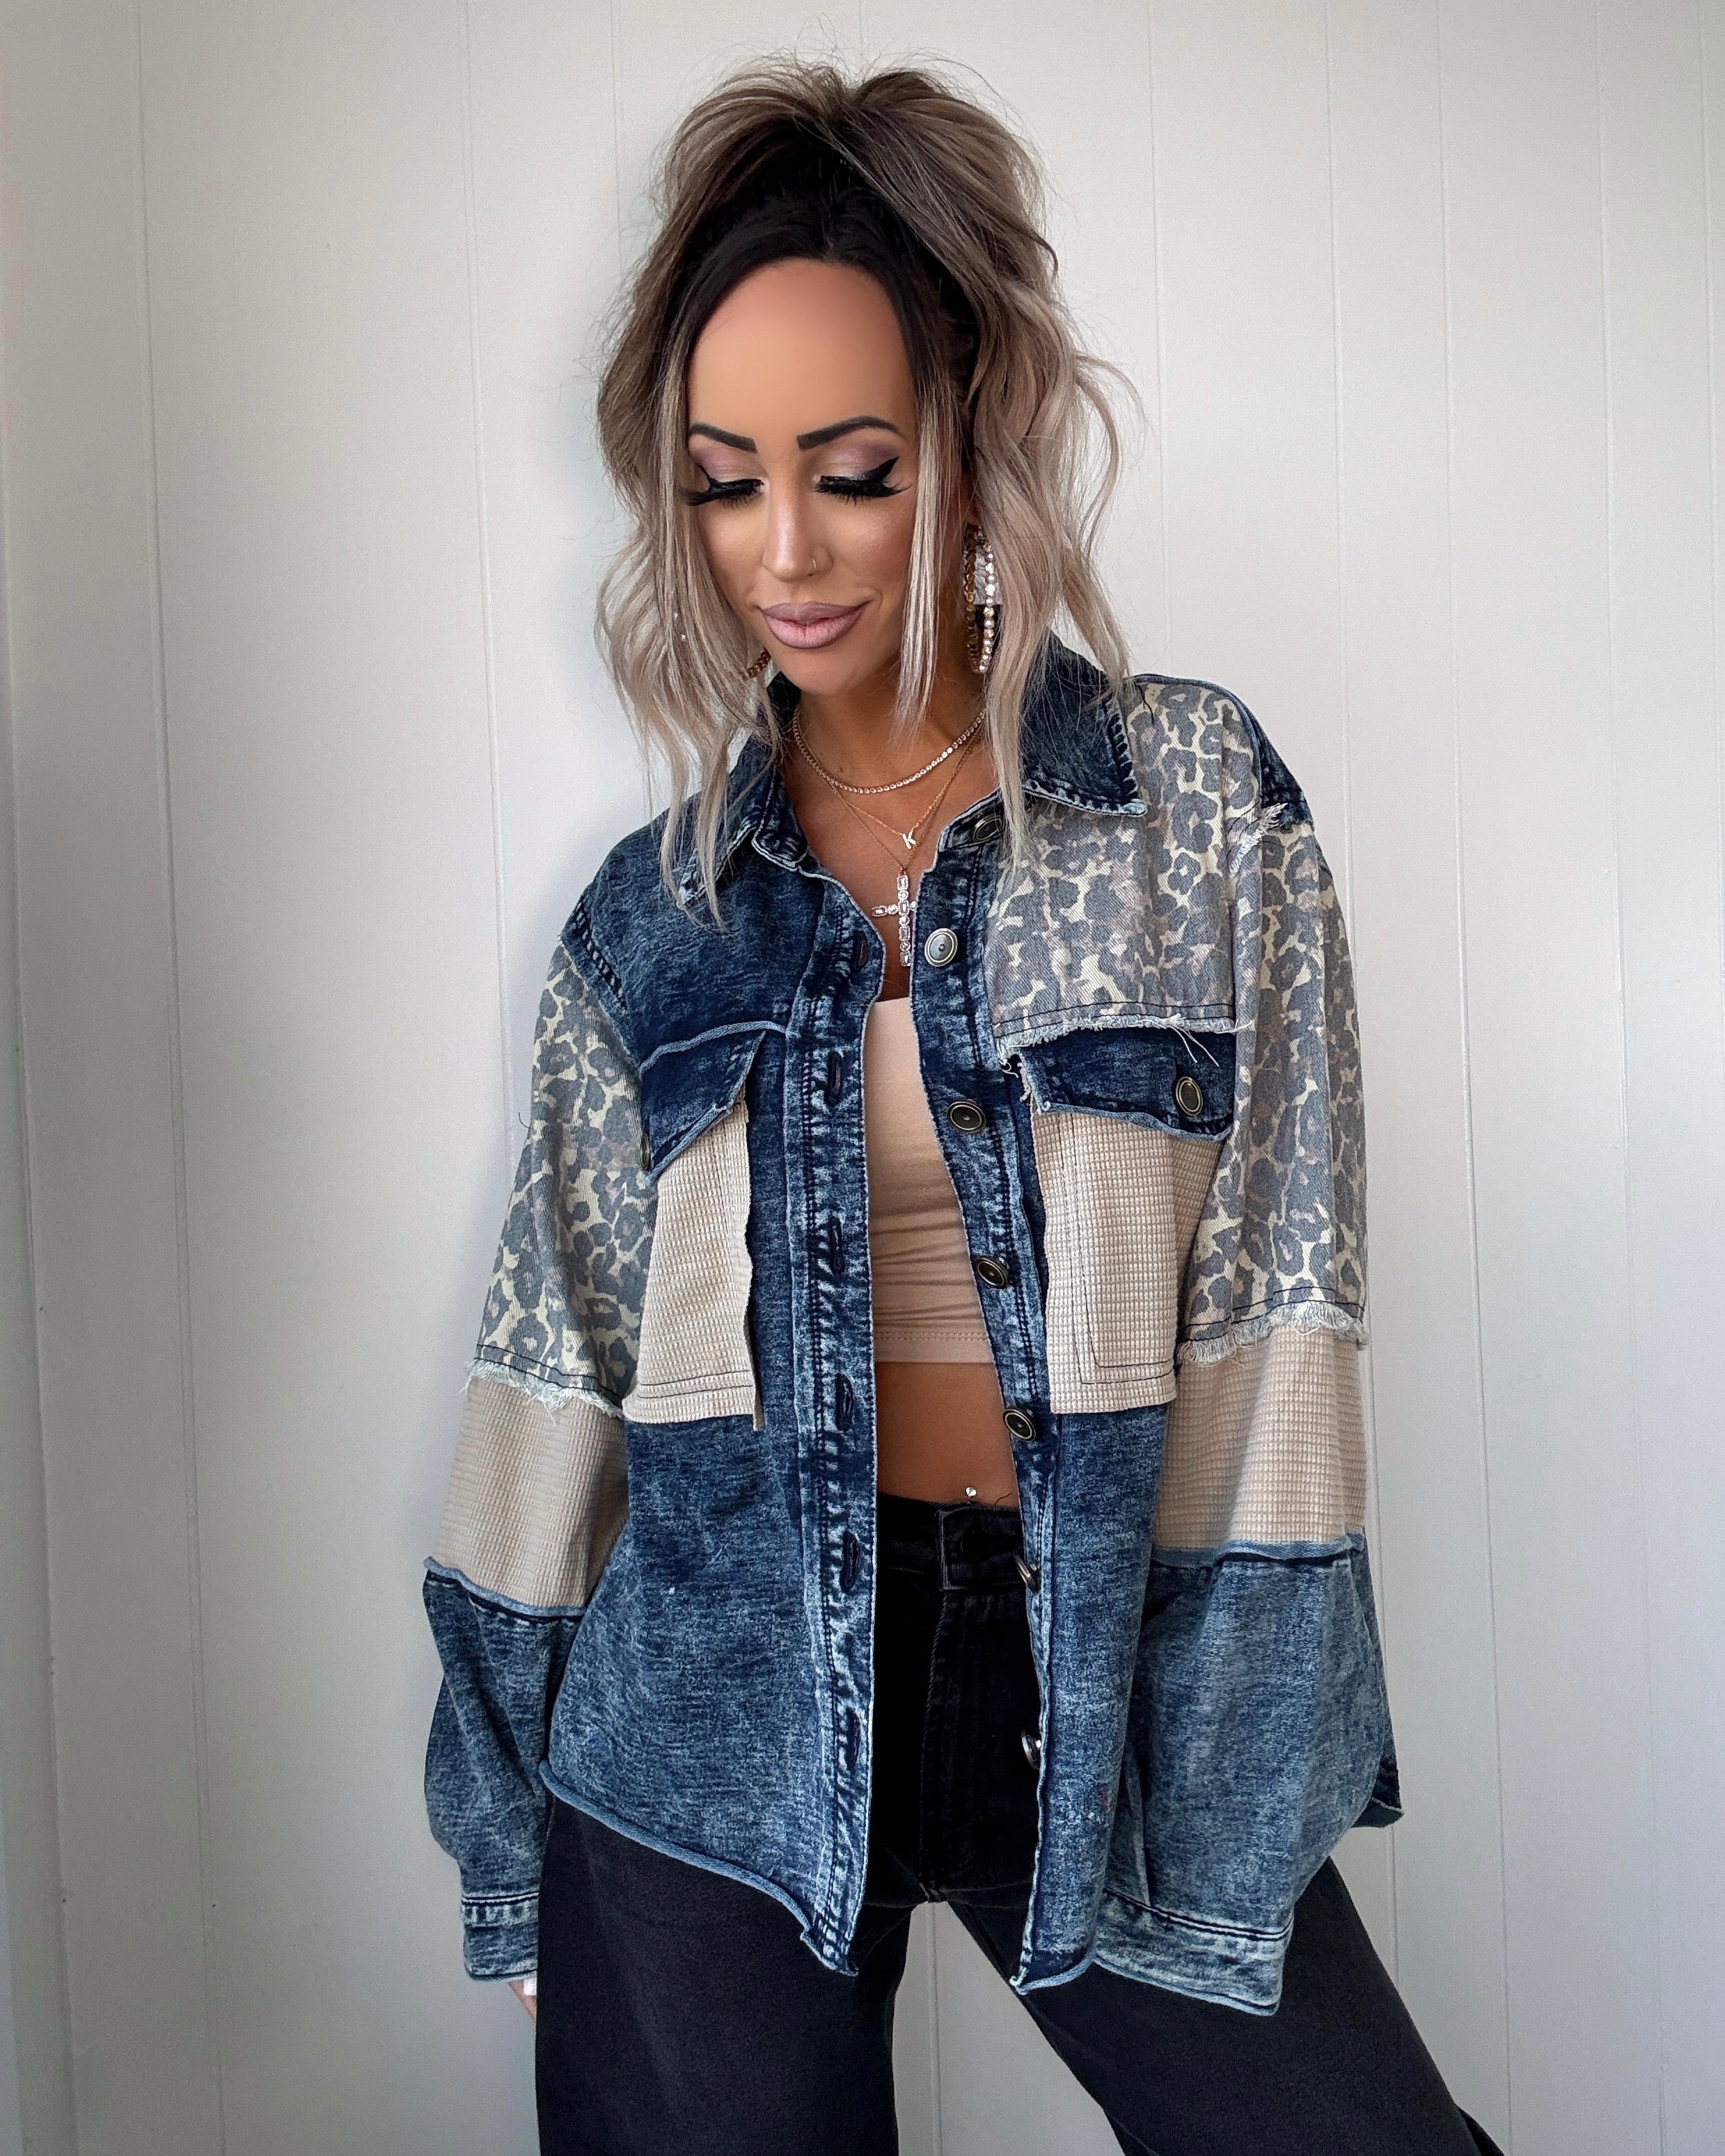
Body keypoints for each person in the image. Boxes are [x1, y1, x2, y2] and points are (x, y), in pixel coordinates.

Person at [420, 56, 1503, 2156]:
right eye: (725, 482)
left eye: (852, 471)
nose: (784, 550)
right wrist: (505, 1837)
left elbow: (1283, 1310)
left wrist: (1236, 1778)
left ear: (974, 445)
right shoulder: (653, 921)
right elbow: (550, 1365)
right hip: (711, 1707)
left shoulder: (1194, 811)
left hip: (1088, 1680)